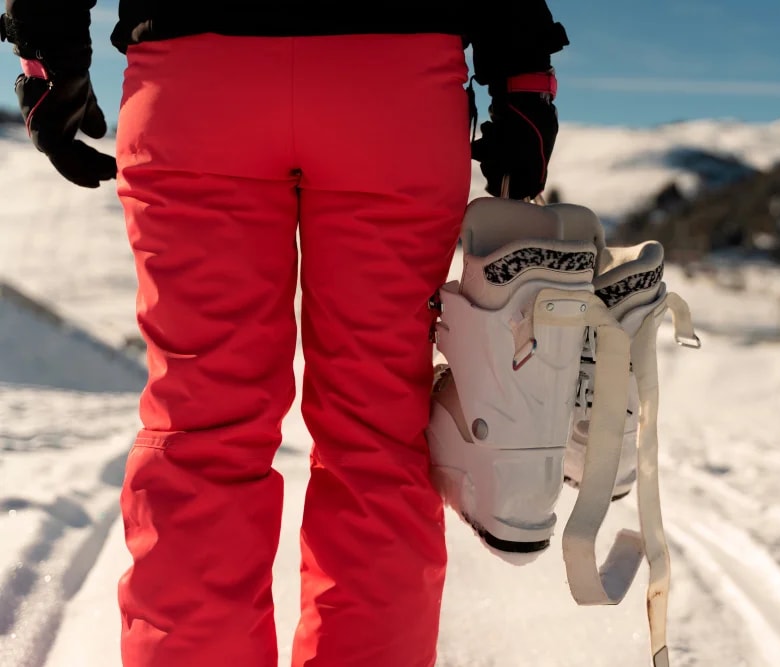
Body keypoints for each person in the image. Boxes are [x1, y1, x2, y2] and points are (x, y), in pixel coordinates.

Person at [1, 2, 568, 665]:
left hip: (194, 80)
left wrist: (48, 59)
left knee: (200, 431)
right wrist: (523, 75)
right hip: (391, 87)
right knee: (379, 437)